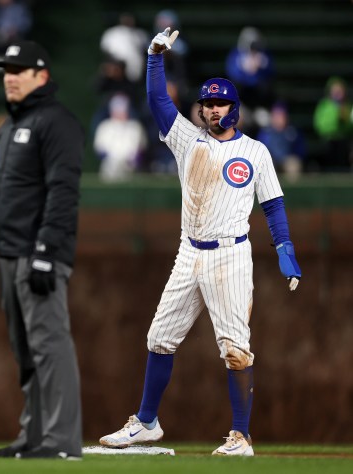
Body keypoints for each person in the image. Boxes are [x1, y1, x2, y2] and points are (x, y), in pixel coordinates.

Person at [99, 28, 301, 456]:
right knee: (159, 338)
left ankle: (241, 436)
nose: (212, 110)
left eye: (219, 103)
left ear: (234, 107)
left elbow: (274, 206)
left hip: (231, 254)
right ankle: (147, 422)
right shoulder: (187, 140)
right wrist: (155, 57)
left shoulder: (256, 152)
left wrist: (285, 249)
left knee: (235, 349)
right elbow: (157, 102)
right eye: (207, 103)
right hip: (189, 251)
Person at [0, 40, 84, 460]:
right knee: (27, 354)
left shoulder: (57, 122)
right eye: (6, 70)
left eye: (19, 69)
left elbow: (63, 193)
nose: (10, 77)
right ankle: (34, 437)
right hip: (11, 255)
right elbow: (0, 194)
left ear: (42, 76)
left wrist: (45, 252)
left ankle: (61, 442)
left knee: (50, 346)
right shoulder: (9, 128)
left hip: (38, 255)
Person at [94, 92, 147, 181]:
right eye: (118, 110)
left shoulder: (135, 127)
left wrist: (133, 160)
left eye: (123, 110)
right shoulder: (104, 126)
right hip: (109, 172)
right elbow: (99, 149)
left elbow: (141, 149)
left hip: (130, 171)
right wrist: (112, 160)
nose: (121, 113)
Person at [312, 76, 353, 172]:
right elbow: (320, 125)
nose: (338, 93)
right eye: (335, 90)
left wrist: (344, 122)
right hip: (328, 140)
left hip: (344, 141)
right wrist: (336, 121)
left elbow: (350, 127)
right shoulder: (324, 105)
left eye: (340, 90)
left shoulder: (348, 106)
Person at [256, 101, 305, 179]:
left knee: (293, 165)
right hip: (272, 161)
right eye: (276, 115)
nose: (279, 118)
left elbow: (300, 150)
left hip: (287, 160)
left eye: (281, 115)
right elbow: (259, 150)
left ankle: (292, 190)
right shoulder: (266, 132)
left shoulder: (292, 131)